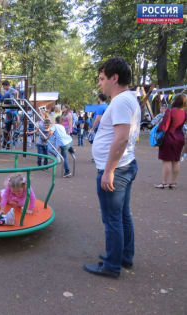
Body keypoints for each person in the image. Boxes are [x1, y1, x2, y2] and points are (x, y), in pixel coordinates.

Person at [83, 57, 141, 279]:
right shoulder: (128, 99)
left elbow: (121, 138)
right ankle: (123, 256)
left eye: (101, 78)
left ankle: (111, 265)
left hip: (117, 169)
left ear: (114, 78)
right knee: (122, 215)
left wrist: (108, 171)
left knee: (112, 219)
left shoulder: (120, 102)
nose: (100, 83)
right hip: (125, 166)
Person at [154, 94, 187, 189]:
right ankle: (173, 183)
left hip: (169, 138)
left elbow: (164, 126)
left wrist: (158, 128)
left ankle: (164, 183)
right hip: (180, 138)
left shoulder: (170, 111)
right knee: (176, 161)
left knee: (166, 161)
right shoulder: (184, 113)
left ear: (175, 101)